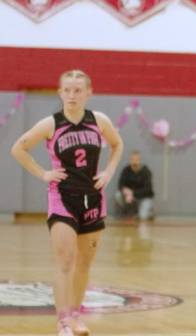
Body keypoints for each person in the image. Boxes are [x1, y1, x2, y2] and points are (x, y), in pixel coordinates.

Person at [10, 70, 123, 336]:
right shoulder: (51, 124)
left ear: (88, 92)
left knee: (84, 263)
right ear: (60, 92)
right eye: (67, 90)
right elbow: (18, 148)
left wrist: (108, 172)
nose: (72, 95)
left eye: (77, 90)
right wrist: (44, 174)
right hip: (62, 198)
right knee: (65, 261)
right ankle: (61, 321)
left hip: (93, 198)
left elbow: (117, 146)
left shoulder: (100, 121)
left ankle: (74, 316)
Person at [115, 150, 155, 221]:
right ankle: (131, 212)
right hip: (130, 198)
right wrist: (125, 191)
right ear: (130, 160)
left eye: (136, 159)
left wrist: (132, 193)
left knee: (143, 217)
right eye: (132, 159)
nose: (134, 161)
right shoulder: (126, 170)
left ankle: (150, 212)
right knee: (118, 195)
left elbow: (148, 189)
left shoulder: (146, 171)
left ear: (140, 160)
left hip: (144, 197)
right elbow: (120, 185)